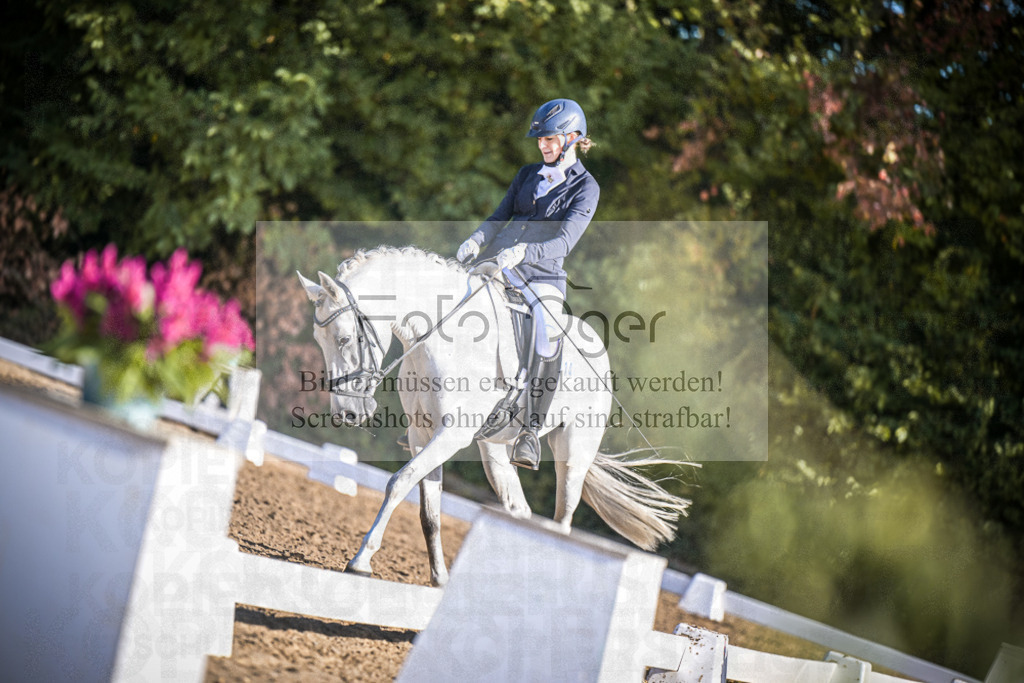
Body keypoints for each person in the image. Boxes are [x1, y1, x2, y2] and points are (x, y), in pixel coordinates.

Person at [457, 98, 600, 469]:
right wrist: (476, 239)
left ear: (572, 138)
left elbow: (564, 242)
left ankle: (530, 432)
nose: (543, 146)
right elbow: (499, 216)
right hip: (498, 265)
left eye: (550, 140)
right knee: (452, 305)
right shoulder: (526, 174)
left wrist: (523, 253)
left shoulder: (586, 188)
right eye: (540, 140)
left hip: (542, 277)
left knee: (548, 333)